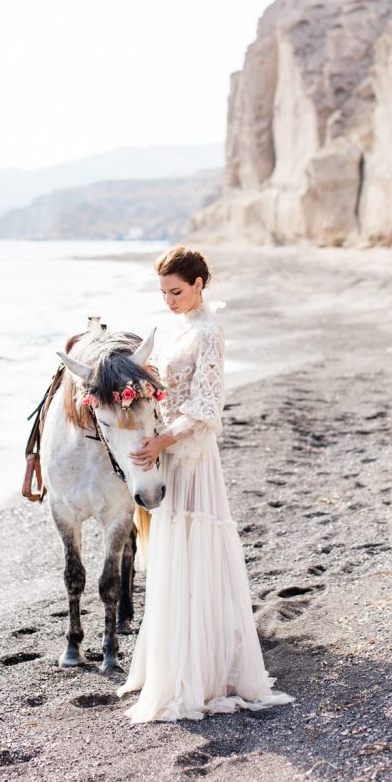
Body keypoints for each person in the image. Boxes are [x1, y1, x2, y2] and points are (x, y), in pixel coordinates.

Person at [115, 245, 294, 722]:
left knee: (195, 546)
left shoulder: (210, 332)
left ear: (199, 285)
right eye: (163, 293)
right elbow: (172, 391)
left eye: (176, 291)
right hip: (167, 449)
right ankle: (173, 660)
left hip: (191, 454)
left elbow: (207, 407)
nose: (169, 300)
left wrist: (163, 440)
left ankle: (202, 670)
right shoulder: (181, 329)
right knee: (174, 549)